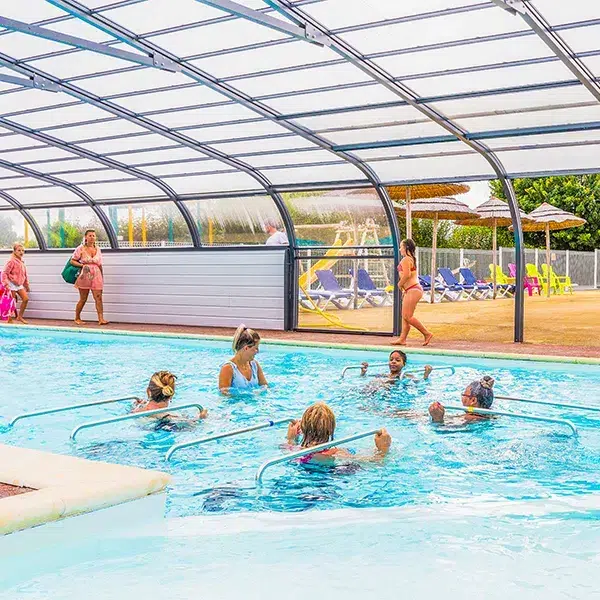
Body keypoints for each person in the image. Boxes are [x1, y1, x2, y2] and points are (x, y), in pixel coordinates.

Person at [286, 402, 391, 464]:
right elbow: (375, 463)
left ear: (303, 428)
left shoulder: (294, 451)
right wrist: (383, 451)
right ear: (331, 429)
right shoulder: (337, 453)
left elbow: (288, 449)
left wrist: (290, 439)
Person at [392, 238, 433, 347]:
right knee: (405, 317)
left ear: (406, 248)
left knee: (408, 316)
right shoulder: (410, 259)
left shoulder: (406, 259)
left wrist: (399, 284)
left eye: (401, 246)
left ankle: (426, 333)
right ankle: (402, 339)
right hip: (412, 289)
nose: (400, 249)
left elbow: (407, 275)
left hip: (413, 289)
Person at [132, 370, 208, 429]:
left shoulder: (137, 409)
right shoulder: (170, 417)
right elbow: (193, 426)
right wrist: (201, 418)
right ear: (171, 394)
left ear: (148, 391)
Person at [70, 229, 108, 326]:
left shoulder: (98, 249)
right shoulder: (80, 248)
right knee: (83, 298)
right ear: (86, 237)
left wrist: (102, 277)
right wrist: (82, 266)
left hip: (97, 274)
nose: (92, 237)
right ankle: (77, 317)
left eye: (94, 236)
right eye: (90, 235)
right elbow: (72, 261)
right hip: (85, 275)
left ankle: (101, 319)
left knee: (98, 297)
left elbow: (99, 264)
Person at [218, 324, 268, 394]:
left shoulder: (254, 365)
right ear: (246, 348)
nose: (258, 351)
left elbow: (265, 386)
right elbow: (224, 396)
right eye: (256, 348)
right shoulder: (228, 368)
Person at [428, 376, 495, 425]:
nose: (462, 398)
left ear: (473, 400)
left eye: (464, 395)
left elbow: (444, 431)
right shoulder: (491, 415)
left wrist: (438, 420)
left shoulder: (469, 419)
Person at [360, 350, 433, 384]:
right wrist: (363, 372)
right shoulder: (383, 375)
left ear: (404, 364)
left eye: (397, 360)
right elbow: (364, 378)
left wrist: (426, 375)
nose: (393, 362)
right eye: (391, 360)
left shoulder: (406, 376)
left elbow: (420, 382)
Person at [1, 243, 30, 324]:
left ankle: (19, 317)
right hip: (11, 284)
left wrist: (26, 285)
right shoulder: (11, 261)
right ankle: (9, 319)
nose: (21, 252)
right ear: (14, 251)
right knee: (11, 302)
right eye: (19, 250)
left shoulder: (22, 262)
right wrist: (6, 284)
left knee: (25, 299)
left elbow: (25, 275)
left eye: (23, 250)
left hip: (19, 284)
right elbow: (4, 273)